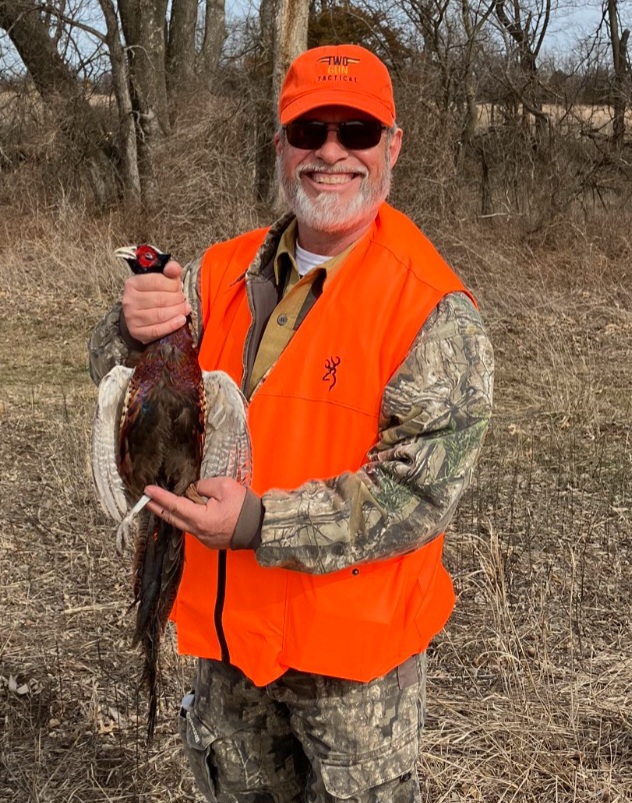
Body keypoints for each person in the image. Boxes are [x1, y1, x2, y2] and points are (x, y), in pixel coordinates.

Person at [89, 43, 494, 803]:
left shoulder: (432, 308)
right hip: (228, 653)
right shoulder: (217, 274)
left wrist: (258, 523)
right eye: (310, 130)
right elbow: (115, 378)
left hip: (353, 681)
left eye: (357, 132)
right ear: (280, 145)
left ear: (392, 146)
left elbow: (413, 497)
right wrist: (132, 325)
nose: (331, 152)